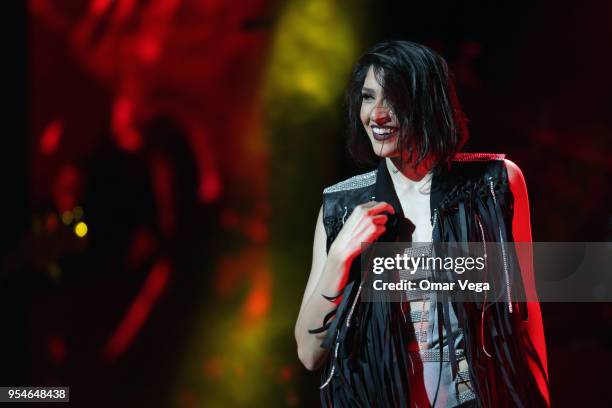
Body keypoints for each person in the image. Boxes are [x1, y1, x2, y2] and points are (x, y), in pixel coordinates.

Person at [294, 41, 550, 407]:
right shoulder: (341, 207)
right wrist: (338, 258)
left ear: (427, 103)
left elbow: (526, 315)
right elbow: (308, 354)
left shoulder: (493, 185)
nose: (376, 115)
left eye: (393, 99)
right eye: (368, 98)